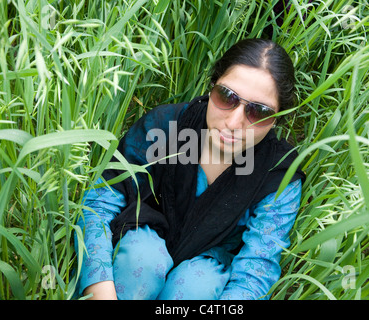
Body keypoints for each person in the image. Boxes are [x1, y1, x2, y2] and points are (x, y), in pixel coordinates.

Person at [74, 38, 305, 300]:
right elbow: (100, 204)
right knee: (142, 258)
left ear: (277, 118)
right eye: (226, 96)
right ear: (212, 86)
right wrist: (101, 290)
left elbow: (257, 269)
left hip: (205, 274)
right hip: (136, 250)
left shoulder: (278, 175)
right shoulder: (165, 127)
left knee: (196, 287)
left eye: (259, 112)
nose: (234, 121)